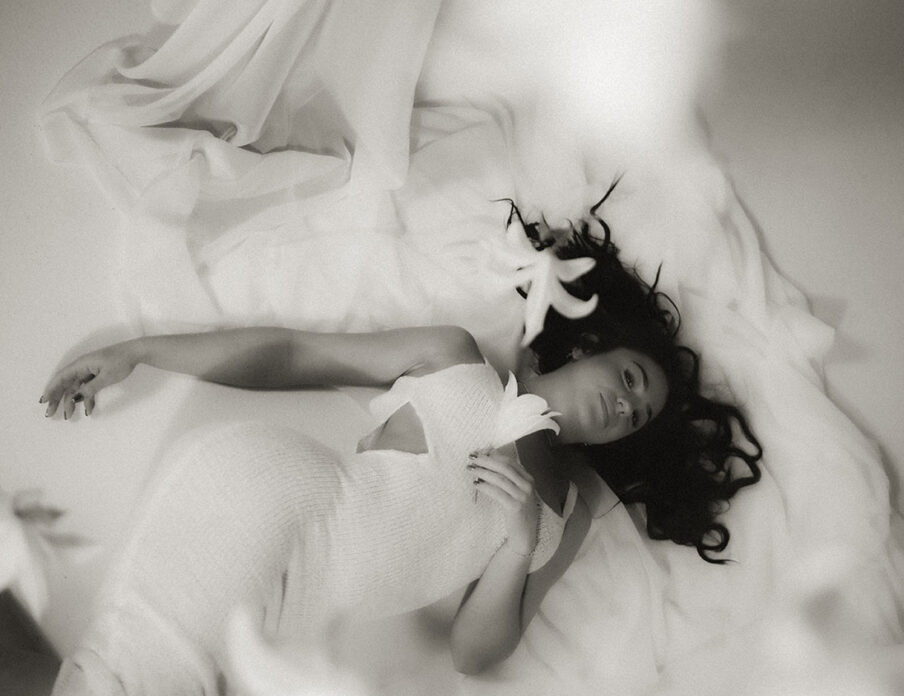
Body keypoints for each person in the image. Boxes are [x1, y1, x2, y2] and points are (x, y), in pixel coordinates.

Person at [40, 202, 762, 694]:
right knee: (121, 681)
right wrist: (143, 351)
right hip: (267, 503)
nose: (627, 404)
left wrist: (514, 549)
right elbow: (295, 356)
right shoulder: (455, 356)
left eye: (638, 417)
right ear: (596, 346)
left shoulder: (561, 517)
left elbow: (475, 655)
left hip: (289, 616)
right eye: (633, 379)